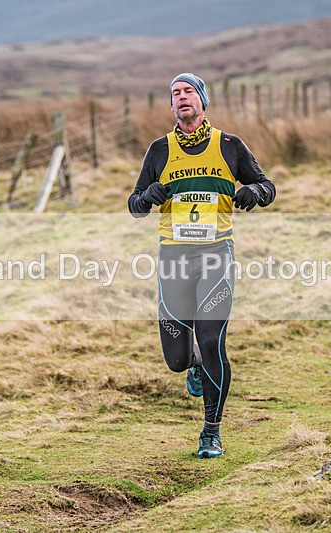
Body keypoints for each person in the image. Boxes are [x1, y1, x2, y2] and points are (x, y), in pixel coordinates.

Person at [128, 73, 276, 458]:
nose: (181, 98)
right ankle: (191, 364)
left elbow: (268, 186)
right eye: (174, 93)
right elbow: (134, 205)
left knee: (212, 341)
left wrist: (253, 192)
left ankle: (211, 430)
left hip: (216, 256)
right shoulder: (159, 150)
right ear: (172, 106)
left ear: (202, 101)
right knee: (176, 359)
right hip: (173, 258)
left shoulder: (229, 145)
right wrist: (148, 196)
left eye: (188, 91)